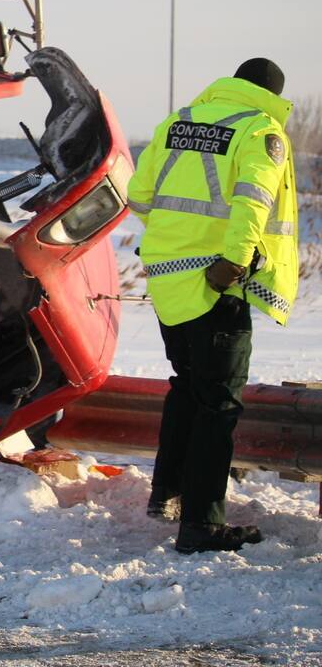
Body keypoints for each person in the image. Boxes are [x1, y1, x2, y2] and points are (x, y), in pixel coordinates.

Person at [127, 57, 298, 554]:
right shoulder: (262, 131)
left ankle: (168, 495)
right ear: (271, 93)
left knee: (187, 388)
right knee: (217, 404)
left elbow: (141, 196)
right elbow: (252, 203)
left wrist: (176, 241)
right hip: (216, 281)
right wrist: (233, 260)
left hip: (166, 278)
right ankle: (202, 525)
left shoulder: (180, 121)